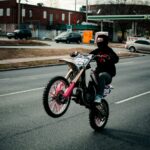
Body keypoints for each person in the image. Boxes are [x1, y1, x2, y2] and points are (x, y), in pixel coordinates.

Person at [90, 33, 119, 104]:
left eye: (100, 40)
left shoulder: (109, 50)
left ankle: (99, 96)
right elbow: (89, 55)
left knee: (102, 75)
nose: (99, 42)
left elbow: (116, 58)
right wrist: (78, 55)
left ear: (105, 41)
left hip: (108, 74)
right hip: (98, 72)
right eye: (98, 40)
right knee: (91, 75)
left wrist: (109, 57)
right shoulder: (97, 50)